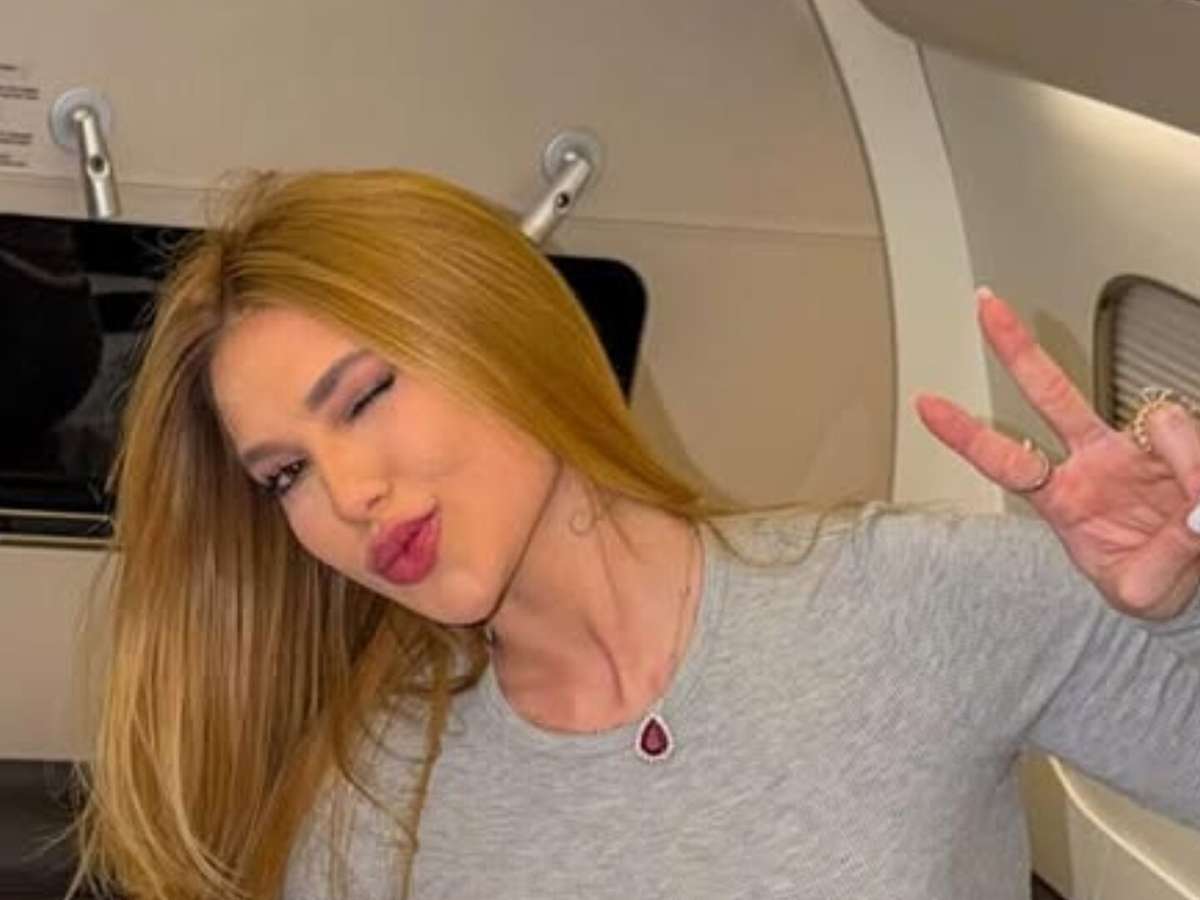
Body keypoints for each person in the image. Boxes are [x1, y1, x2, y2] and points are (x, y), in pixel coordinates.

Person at [73, 169, 1200, 900]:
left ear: (503, 331)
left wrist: (1181, 610)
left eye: (365, 397)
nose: (349, 493)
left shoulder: (913, 598)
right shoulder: (368, 813)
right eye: (285, 476)